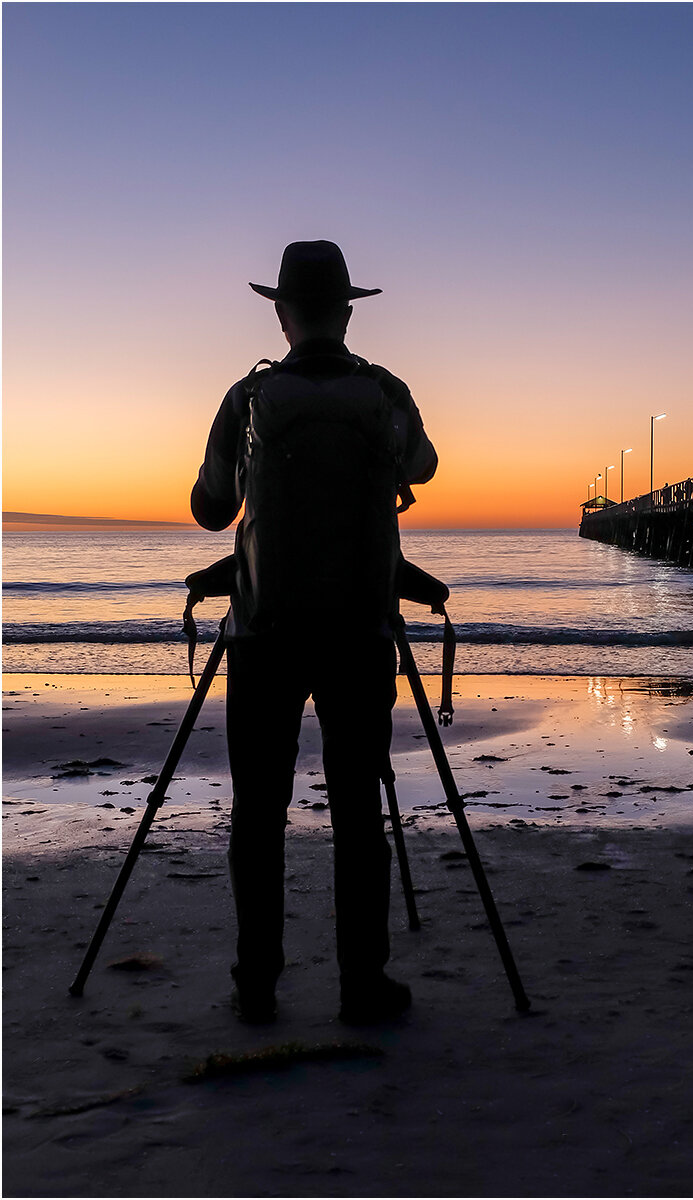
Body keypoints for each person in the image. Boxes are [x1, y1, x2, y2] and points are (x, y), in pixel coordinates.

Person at [191, 241, 437, 1025]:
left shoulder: (249, 396)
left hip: (263, 633)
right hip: (361, 632)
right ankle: (362, 984)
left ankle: (256, 985)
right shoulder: (385, 390)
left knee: (258, 811)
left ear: (280, 312)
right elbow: (425, 469)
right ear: (349, 311)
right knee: (359, 810)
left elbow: (208, 509)